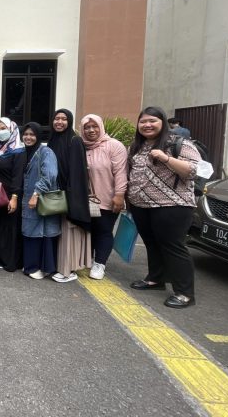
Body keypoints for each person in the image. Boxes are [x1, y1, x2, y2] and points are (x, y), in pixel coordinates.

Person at [127, 106, 200, 308]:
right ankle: (155, 279)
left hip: (172, 205)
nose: (147, 125)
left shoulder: (178, 143)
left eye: (152, 121)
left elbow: (195, 171)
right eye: (143, 121)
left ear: (163, 123)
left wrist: (166, 158)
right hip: (141, 205)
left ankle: (185, 293)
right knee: (152, 243)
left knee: (173, 246)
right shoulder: (136, 146)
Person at [80, 114, 128, 280]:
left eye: (94, 126)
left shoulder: (114, 146)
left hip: (107, 197)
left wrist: (119, 195)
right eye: (87, 127)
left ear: (101, 127)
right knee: (88, 230)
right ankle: (89, 258)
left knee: (104, 230)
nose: (91, 130)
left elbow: (121, 172)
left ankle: (100, 263)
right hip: (85, 200)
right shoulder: (81, 145)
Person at [47, 108, 92, 283]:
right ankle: (58, 265)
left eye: (64, 119)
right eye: (56, 118)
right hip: (55, 194)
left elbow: (78, 173)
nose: (59, 122)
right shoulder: (53, 140)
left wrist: (73, 199)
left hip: (69, 195)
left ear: (70, 121)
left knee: (68, 233)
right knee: (58, 233)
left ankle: (68, 270)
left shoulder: (75, 140)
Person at [20, 122, 62, 279]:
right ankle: (32, 266)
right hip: (29, 199)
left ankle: (39, 268)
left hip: (40, 199)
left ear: (38, 136)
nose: (28, 137)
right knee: (31, 232)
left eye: (32, 135)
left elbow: (50, 175)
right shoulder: (26, 152)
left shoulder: (45, 152)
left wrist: (36, 193)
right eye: (26, 134)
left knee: (42, 232)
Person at [0, 117, 24, 271]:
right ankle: (0, 256)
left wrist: (14, 198)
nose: (0, 132)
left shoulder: (18, 150)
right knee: (1, 226)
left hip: (11, 195)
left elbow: (18, 176)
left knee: (11, 228)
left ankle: (11, 261)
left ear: (11, 129)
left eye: (3, 128)